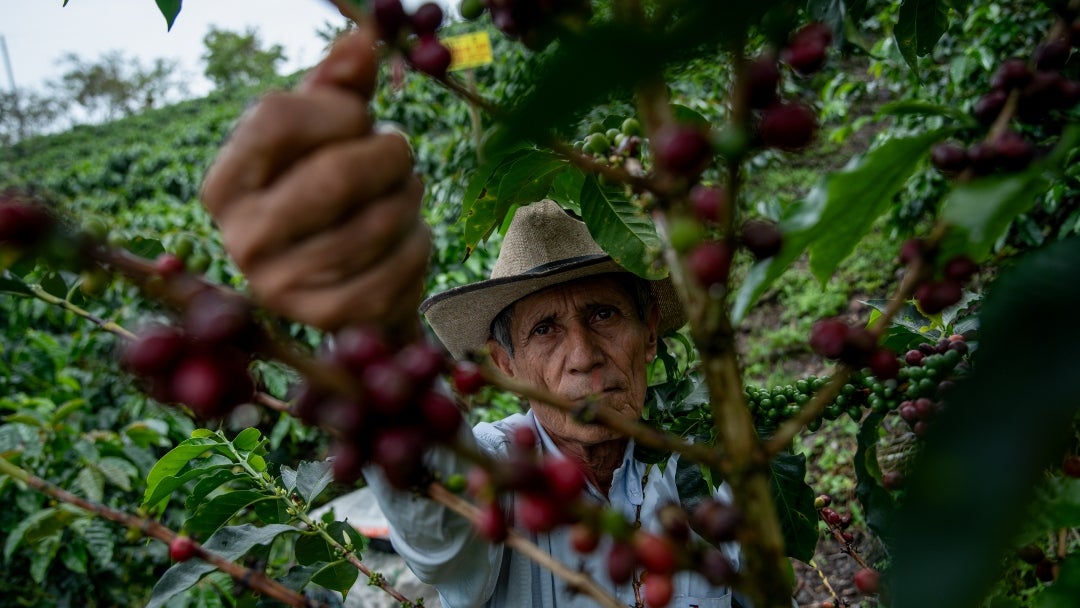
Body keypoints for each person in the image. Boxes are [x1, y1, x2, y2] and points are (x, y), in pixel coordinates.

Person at [202, 28, 747, 608]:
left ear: (650, 334)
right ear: (504, 364)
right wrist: (369, 317)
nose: (583, 354)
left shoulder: (702, 472)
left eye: (605, 314)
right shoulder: (498, 471)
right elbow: (439, 519)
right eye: (545, 330)